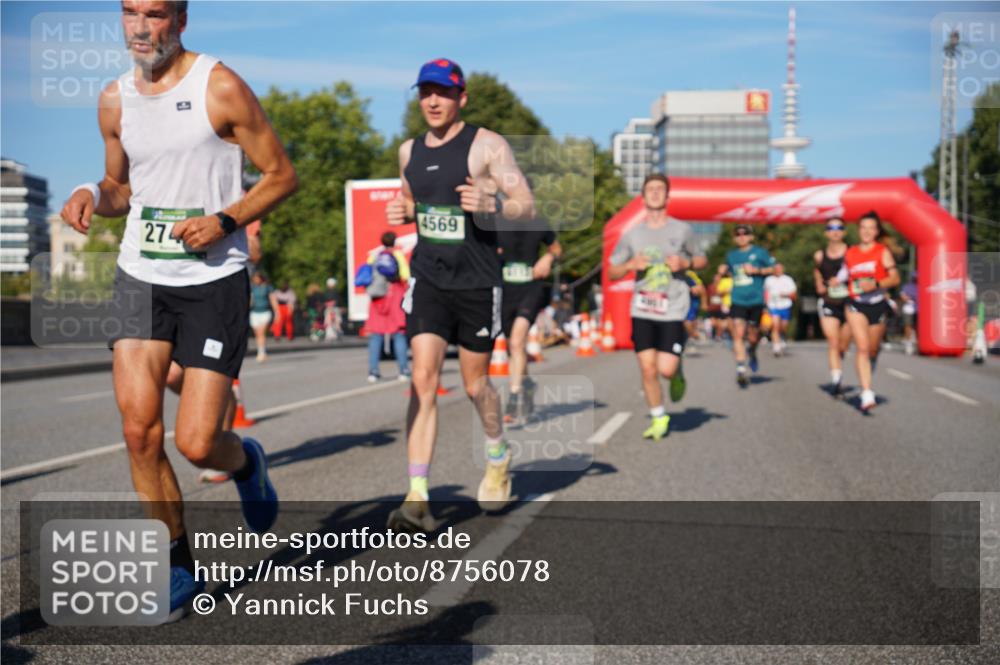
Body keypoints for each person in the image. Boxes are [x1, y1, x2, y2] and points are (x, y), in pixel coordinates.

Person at [59, 0, 296, 621]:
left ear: (181, 21)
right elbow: (122, 188)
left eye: (155, 14)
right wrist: (90, 190)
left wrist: (224, 220)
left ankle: (246, 461)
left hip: (213, 280)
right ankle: (176, 566)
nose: (141, 26)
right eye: (131, 12)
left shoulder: (219, 85)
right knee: (139, 432)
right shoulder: (114, 99)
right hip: (141, 276)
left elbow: (279, 175)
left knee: (195, 442)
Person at [384, 58, 534, 531]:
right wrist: (403, 210)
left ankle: (496, 455)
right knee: (423, 380)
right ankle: (418, 494)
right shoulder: (409, 150)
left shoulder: (486, 144)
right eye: (425, 91)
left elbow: (526, 205)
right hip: (428, 278)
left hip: (476, 282)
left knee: (475, 385)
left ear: (460, 97)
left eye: (442, 92)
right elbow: (413, 199)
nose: (432, 100)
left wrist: (493, 204)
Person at [608, 174, 706, 440]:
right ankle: (658, 416)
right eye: (649, 189)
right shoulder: (632, 234)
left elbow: (701, 259)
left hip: (673, 307)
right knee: (647, 368)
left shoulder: (682, 230)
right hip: (642, 308)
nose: (654, 193)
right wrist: (630, 266)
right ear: (642, 197)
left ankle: (677, 372)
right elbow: (612, 270)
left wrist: (685, 265)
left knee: (665, 369)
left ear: (667, 197)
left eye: (659, 189)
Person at [497, 217, 561, 424]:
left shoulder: (538, 222)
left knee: (517, 341)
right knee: (514, 349)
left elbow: (557, 248)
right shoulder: (495, 222)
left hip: (531, 289)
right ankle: (527, 384)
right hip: (505, 291)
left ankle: (515, 397)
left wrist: (549, 258)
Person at [843, 211, 900, 412]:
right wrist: (835, 282)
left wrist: (875, 283)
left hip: (877, 304)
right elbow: (843, 275)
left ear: (876, 231)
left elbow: (895, 278)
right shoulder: (850, 253)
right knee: (863, 348)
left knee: (873, 350)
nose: (867, 232)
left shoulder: (882, 251)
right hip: (856, 305)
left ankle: (869, 368)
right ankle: (867, 393)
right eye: (863, 227)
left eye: (871, 228)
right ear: (858, 230)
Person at [721, 225, 775, 387]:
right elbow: (730, 272)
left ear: (751, 236)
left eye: (745, 234)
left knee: (752, 336)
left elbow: (774, 268)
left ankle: (752, 350)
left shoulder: (760, 252)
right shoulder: (731, 255)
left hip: (756, 300)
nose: (741, 236)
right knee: (738, 333)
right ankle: (741, 368)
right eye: (738, 234)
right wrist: (724, 271)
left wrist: (757, 270)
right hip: (737, 299)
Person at [366, 231, 411, 382]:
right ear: (394, 241)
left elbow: (368, 275)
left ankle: (373, 371)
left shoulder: (374, 256)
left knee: (376, 334)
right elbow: (405, 275)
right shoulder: (398, 255)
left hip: (377, 299)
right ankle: (403, 370)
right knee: (398, 334)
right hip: (395, 296)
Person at [813, 217, 852, 393]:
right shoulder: (820, 255)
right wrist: (819, 283)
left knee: (843, 345)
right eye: (831, 227)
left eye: (839, 227)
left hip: (849, 302)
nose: (835, 231)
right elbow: (817, 270)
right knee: (833, 341)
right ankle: (836, 379)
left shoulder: (852, 252)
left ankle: (839, 360)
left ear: (844, 231)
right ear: (826, 232)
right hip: (828, 301)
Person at [764, 262, 797, 356]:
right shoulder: (768, 280)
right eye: (776, 268)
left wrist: (784, 295)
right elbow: (766, 292)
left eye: (780, 268)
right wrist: (766, 304)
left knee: (783, 326)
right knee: (775, 325)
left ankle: (782, 337)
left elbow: (794, 294)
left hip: (785, 305)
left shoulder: (788, 279)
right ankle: (776, 346)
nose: (778, 270)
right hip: (773, 305)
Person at [249, 271, 276, 361]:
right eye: (254, 278)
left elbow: (273, 300)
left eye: (257, 278)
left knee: (261, 332)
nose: (256, 280)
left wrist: (277, 312)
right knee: (257, 334)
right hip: (254, 312)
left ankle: (261, 352)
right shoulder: (252, 287)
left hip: (265, 312)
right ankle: (261, 351)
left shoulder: (267, 287)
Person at [683, 268, 705, 349]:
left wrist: (704, 302)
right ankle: (692, 336)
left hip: (690, 302)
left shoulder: (689, 274)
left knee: (688, 322)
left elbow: (700, 288)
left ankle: (693, 336)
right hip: (676, 303)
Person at [899, 272, 918, 355]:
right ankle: (908, 343)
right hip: (909, 308)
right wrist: (909, 299)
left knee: (917, 327)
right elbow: (903, 296)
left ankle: (917, 343)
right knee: (908, 326)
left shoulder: (923, 285)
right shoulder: (907, 286)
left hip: (920, 309)